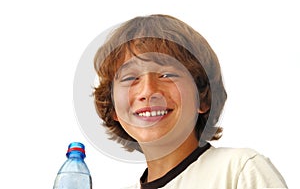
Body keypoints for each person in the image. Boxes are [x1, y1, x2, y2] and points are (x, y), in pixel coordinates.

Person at [93, 14, 287, 189]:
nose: (148, 91)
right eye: (129, 78)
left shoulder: (239, 170)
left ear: (202, 98)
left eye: (167, 74)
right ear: (113, 110)